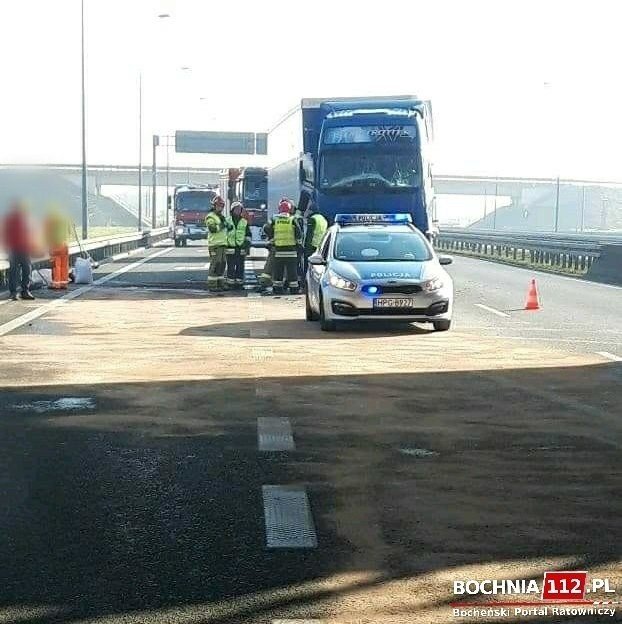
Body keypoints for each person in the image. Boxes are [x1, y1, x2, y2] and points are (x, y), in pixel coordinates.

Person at [264, 198, 302, 294]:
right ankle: (294, 289)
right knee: (292, 272)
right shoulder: (292, 219)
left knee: (278, 272)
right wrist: (299, 245)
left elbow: (267, 229)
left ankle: (277, 289)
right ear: (289, 209)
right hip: (291, 251)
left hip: (278, 251)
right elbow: (299, 233)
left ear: (279, 209)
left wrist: (272, 240)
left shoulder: (274, 219)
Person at [2, 200, 35, 301]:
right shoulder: (10, 219)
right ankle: (14, 292)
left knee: (27, 269)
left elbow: (30, 233)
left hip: (25, 247)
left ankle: (25, 291)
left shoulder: (26, 219)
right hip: (14, 248)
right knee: (14, 271)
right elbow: (5, 234)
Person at [225, 201, 251, 290]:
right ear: (232, 210)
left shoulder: (244, 222)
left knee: (240, 267)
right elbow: (223, 234)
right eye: (236, 209)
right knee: (231, 267)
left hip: (241, 248)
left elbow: (248, 234)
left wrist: (246, 244)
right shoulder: (227, 221)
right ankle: (230, 284)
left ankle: (239, 284)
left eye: (240, 209)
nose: (238, 210)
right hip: (230, 248)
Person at [44, 206, 71, 290]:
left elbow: (47, 234)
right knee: (64, 265)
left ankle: (56, 284)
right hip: (65, 246)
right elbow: (69, 232)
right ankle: (64, 283)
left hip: (55, 246)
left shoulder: (50, 220)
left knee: (56, 266)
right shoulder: (65, 219)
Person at [205, 195, 228, 292]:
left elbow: (227, 227)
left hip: (222, 244)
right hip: (214, 245)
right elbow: (212, 229)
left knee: (222, 264)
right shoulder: (210, 216)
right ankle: (212, 285)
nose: (220, 208)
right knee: (215, 264)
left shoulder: (221, 217)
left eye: (221, 206)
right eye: (218, 206)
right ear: (214, 206)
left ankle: (220, 283)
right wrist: (222, 226)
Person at [303, 202, 328, 275]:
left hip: (312, 246)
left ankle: (306, 281)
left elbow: (309, 234)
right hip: (321, 246)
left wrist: (306, 247)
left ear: (311, 210)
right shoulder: (323, 219)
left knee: (308, 266)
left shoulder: (313, 219)